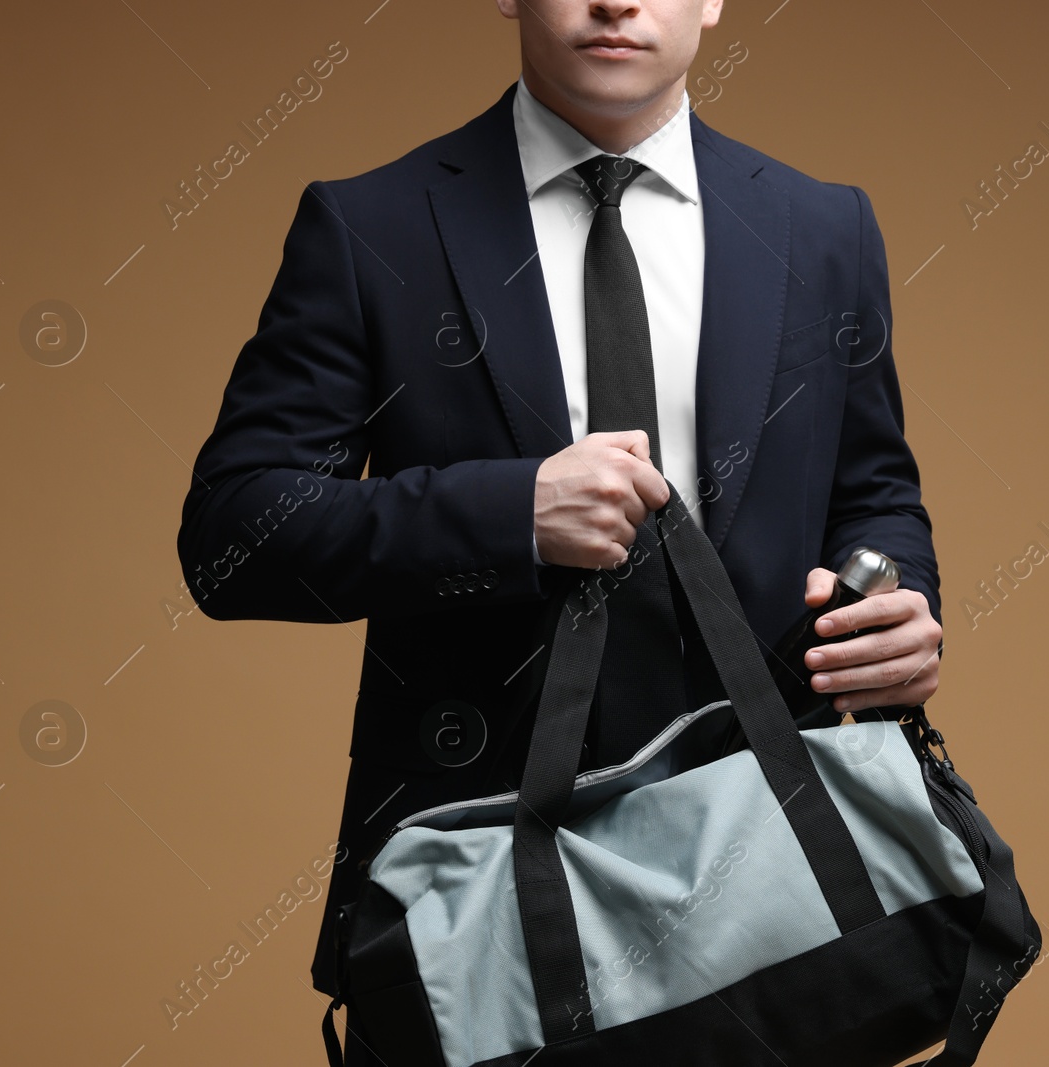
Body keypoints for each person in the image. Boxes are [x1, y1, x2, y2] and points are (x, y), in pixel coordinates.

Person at [175, 0, 944, 1057]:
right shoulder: (374, 226)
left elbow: (871, 490)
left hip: (766, 892)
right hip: (477, 906)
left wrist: (898, 604)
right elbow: (234, 536)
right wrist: (508, 511)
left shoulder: (824, 228)